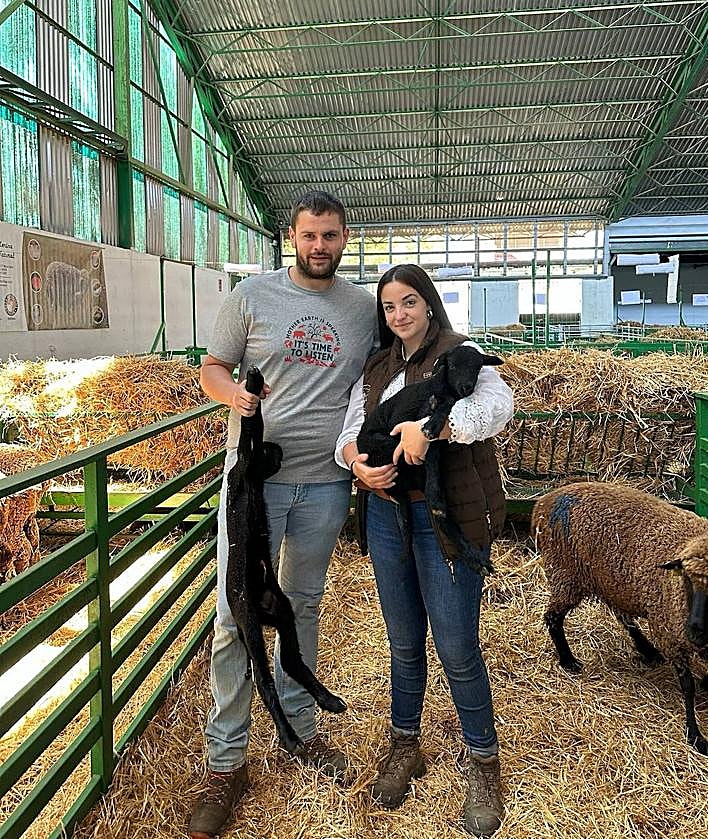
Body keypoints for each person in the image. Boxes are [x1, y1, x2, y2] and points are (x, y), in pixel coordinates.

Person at [189, 191, 378, 839]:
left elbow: (383, 375)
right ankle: (226, 761)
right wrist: (233, 392)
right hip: (254, 486)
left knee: (302, 604)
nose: (319, 245)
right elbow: (211, 368)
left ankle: (299, 733)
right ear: (290, 236)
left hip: (325, 484)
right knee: (231, 615)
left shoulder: (361, 308)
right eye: (308, 235)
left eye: (329, 235)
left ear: (345, 238)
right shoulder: (250, 296)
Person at [335, 264, 513, 838]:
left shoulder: (461, 352)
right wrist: (355, 463)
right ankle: (405, 745)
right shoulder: (378, 366)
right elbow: (351, 426)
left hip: (447, 518)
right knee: (405, 639)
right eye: (389, 307)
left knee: (457, 643)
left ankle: (484, 762)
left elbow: (497, 409)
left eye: (409, 302)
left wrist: (434, 427)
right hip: (389, 513)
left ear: (429, 305)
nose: (399, 314)